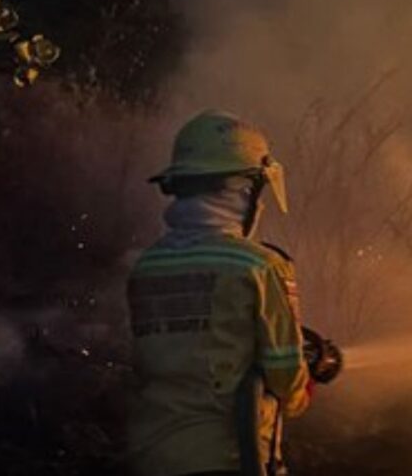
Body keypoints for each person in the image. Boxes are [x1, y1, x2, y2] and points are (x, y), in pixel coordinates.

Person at [125, 109, 311, 476]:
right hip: (228, 460)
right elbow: (286, 377)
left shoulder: (147, 266)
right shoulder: (259, 267)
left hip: (151, 456)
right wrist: (304, 389)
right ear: (245, 190)